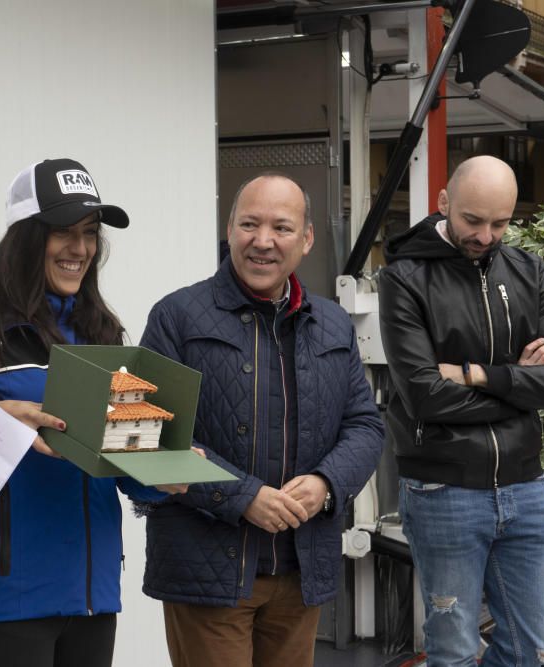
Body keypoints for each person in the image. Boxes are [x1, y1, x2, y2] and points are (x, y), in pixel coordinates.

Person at [0, 158, 187, 667]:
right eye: (63, 233)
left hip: (92, 596)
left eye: (90, 233)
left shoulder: (102, 332)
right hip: (1, 596)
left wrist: (163, 471)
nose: (80, 250)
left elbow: (123, 459)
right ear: (26, 237)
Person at [139, 172, 384, 667]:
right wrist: (242, 496)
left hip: (301, 571)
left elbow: (366, 425)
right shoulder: (175, 316)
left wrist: (326, 483)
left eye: (282, 227)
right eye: (249, 224)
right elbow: (140, 437)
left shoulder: (332, 324)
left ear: (308, 239)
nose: (263, 241)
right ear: (229, 230)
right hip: (206, 575)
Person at [378, 155, 544, 667]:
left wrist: (478, 373)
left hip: (524, 485)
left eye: (501, 223)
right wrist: (522, 379)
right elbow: (424, 395)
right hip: (443, 488)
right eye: (473, 220)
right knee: (452, 653)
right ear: (444, 203)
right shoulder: (404, 278)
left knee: (534, 650)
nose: (487, 235)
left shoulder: (527, 270)